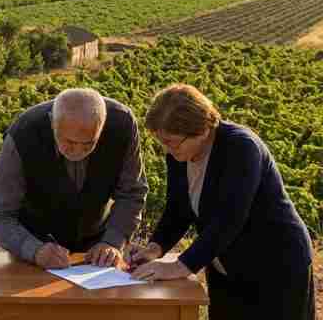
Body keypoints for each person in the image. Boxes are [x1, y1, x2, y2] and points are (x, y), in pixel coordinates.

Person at [129, 84, 315, 320]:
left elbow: (229, 218)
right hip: (226, 266)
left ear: (202, 129)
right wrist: (154, 248)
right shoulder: (179, 153)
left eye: (172, 142)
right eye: (162, 141)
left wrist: (180, 266)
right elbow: (178, 210)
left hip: (276, 267)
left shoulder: (241, 147)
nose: (166, 149)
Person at [0, 88, 148, 269]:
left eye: (88, 144)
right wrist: (34, 250)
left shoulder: (122, 125)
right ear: (53, 124)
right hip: (33, 249)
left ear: (102, 129)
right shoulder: (23, 134)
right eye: (69, 142)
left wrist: (113, 241)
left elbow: (132, 193)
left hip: (96, 251)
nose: (77, 151)